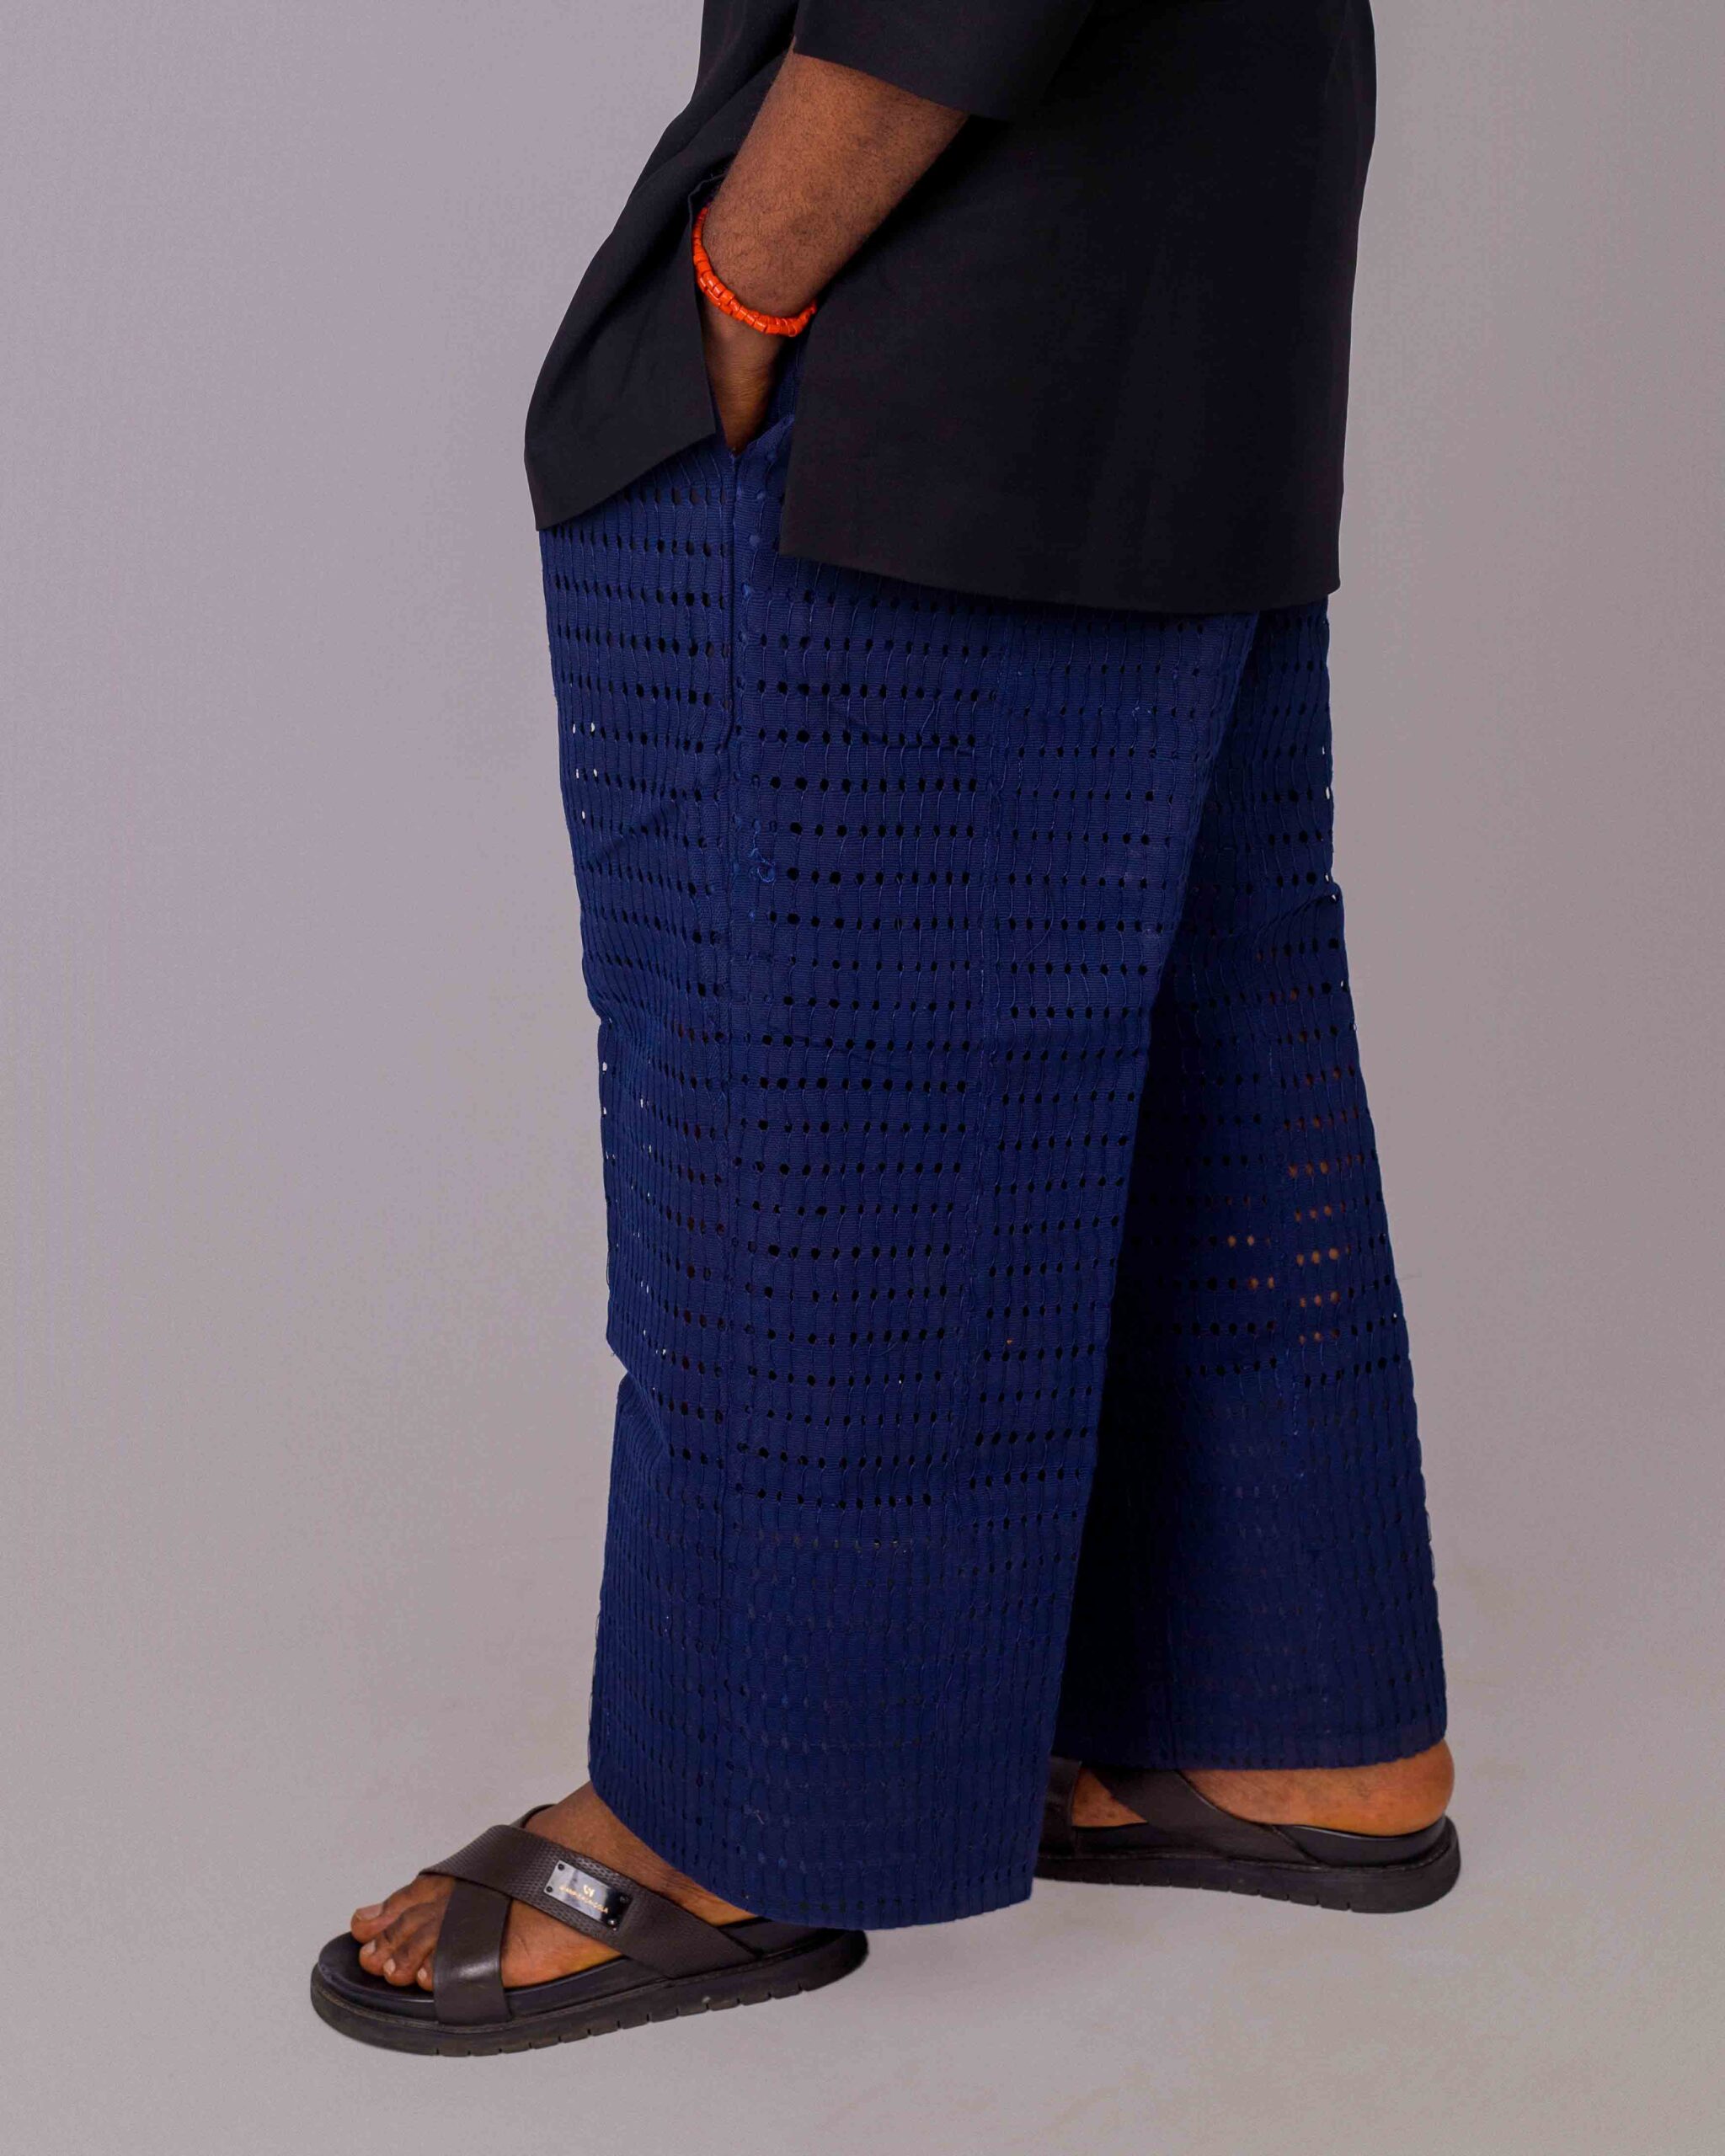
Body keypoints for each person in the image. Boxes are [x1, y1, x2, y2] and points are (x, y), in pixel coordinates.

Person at [312, 1, 1455, 2056]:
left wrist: (745, 271)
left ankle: (736, 1814)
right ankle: (1290, 1721)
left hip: (941, 304)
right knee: (1208, 1021)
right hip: (1191, 270)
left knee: (816, 1049)